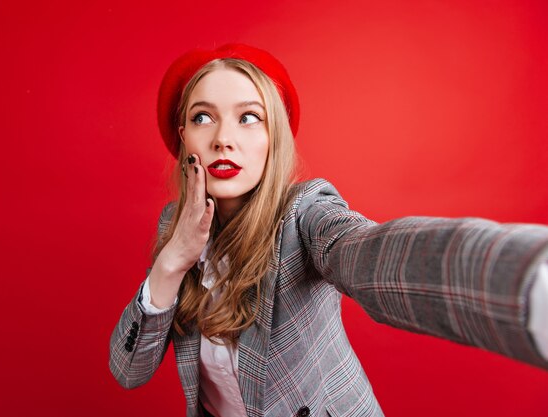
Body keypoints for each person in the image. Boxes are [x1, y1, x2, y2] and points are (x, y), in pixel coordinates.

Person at [109, 44, 548, 417]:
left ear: (274, 137)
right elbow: (129, 371)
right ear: (182, 135)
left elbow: (372, 254)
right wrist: (171, 262)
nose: (224, 138)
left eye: (249, 117)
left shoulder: (306, 214)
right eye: (204, 117)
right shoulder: (175, 225)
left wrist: (525, 284)